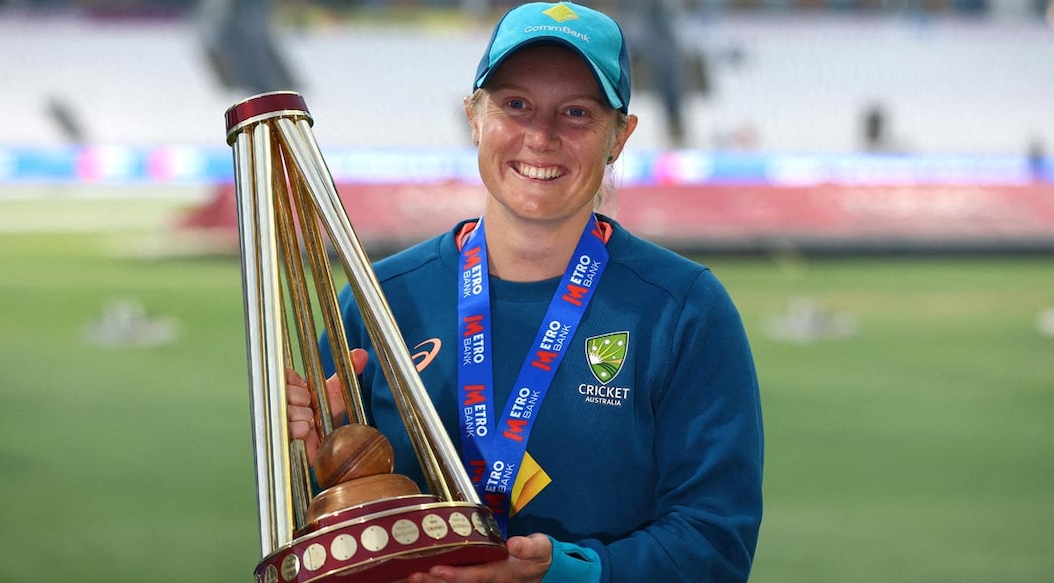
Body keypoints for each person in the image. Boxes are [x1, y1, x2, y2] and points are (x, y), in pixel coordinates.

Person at [286, 3, 763, 581]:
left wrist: (564, 573)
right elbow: (315, 542)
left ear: (619, 137)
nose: (541, 135)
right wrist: (311, 472)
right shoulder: (376, 301)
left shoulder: (684, 309)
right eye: (515, 105)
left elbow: (715, 546)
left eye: (578, 113)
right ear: (473, 117)